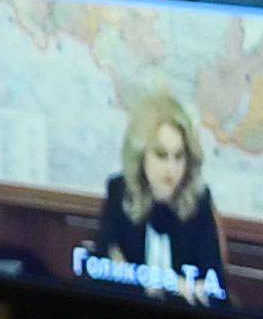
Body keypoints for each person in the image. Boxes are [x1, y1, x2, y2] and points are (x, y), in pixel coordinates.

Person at [89, 97, 228, 301]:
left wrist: (184, 288)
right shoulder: (120, 193)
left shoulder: (199, 202)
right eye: (161, 155)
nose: (171, 168)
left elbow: (215, 289)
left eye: (178, 156)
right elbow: (101, 271)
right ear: (141, 155)